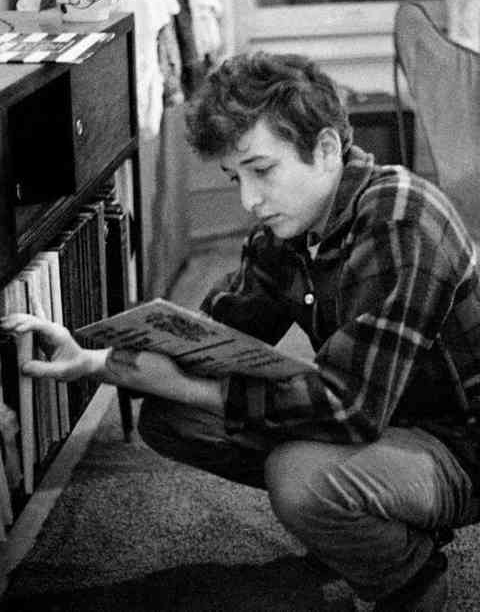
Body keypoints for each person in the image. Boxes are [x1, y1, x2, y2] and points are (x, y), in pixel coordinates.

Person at [2, 51, 480, 611]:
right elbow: (211, 337)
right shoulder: (293, 224)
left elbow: (351, 408)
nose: (249, 200)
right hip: (380, 414)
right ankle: (361, 521)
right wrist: (92, 359)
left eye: (262, 170)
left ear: (326, 149)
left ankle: (411, 574)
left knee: (300, 478)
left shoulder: (400, 219)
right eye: (236, 178)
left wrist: (186, 385)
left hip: (458, 443)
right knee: (170, 417)